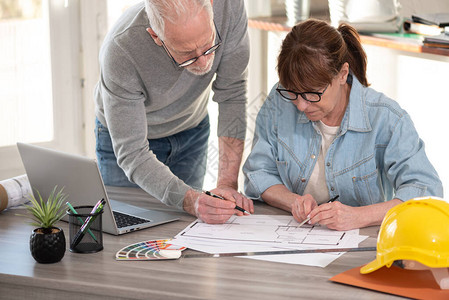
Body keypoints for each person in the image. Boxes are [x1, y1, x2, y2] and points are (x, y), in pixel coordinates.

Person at [243, 19, 443, 231]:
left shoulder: (386, 118)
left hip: (362, 244)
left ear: (342, 74)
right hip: (293, 237)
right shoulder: (278, 102)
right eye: (293, 92)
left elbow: (426, 191)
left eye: (312, 93)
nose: (301, 105)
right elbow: (258, 173)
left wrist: (359, 216)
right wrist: (293, 201)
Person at [94, 0, 254, 224]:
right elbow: (132, 152)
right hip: (129, 144)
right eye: (187, 54)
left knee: (185, 232)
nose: (204, 60)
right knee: (125, 234)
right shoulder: (121, 50)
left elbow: (232, 94)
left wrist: (226, 184)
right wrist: (191, 200)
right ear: (156, 36)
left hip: (191, 131)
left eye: (209, 45)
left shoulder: (229, 7)